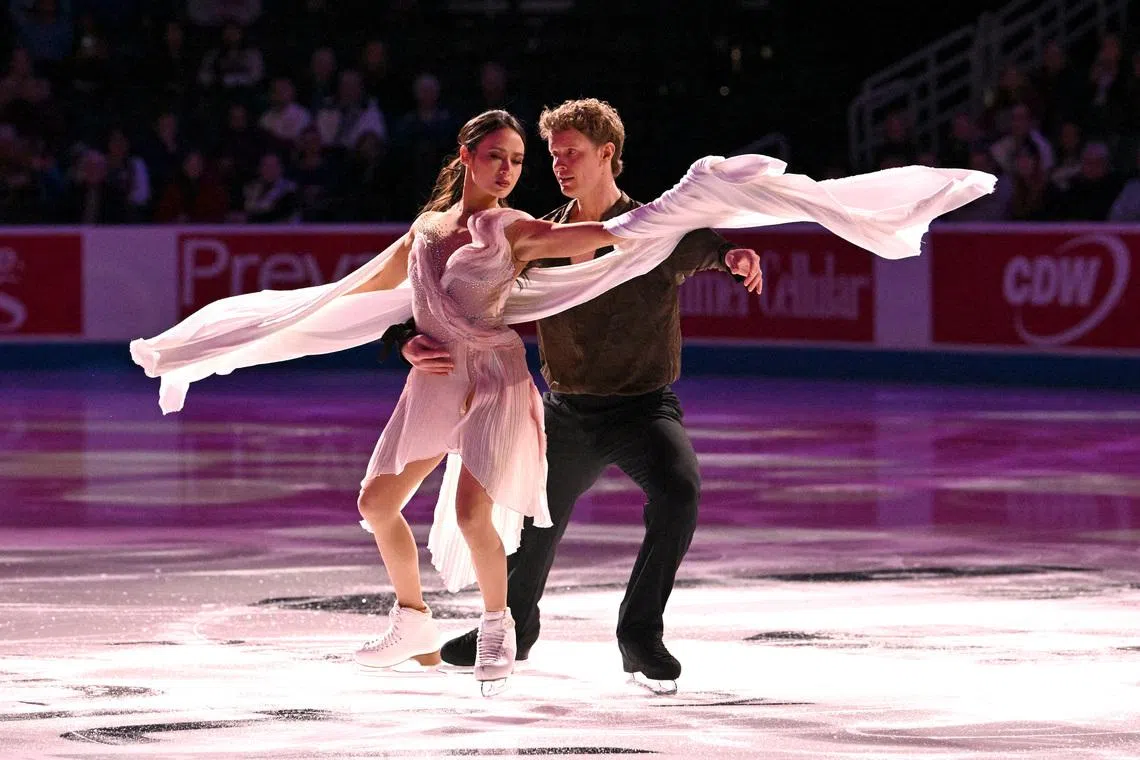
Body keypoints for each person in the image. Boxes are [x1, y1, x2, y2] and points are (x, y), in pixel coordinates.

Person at [131, 110, 994, 695]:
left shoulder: (606, 232)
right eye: (529, 156)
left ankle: (605, 633)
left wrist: (720, 248)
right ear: (474, 160)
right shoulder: (478, 231)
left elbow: (670, 243)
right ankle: (473, 625)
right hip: (548, 400)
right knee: (479, 517)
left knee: (638, 500)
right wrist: (403, 342)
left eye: (555, 153)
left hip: (625, 400)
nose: (541, 165)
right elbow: (407, 300)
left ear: (606, 154)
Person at [401, 99, 762, 692]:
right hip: (567, 410)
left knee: (680, 493)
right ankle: (516, 626)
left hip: (644, 407)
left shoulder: (655, 231)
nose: (559, 164)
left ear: (607, 155)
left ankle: (639, 634)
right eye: (553, 155)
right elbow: (440, 293)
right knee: (534, 520)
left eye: (571, 153)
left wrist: (733, 255)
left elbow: (708, 248)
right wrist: (403, 339)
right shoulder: (540, 235)